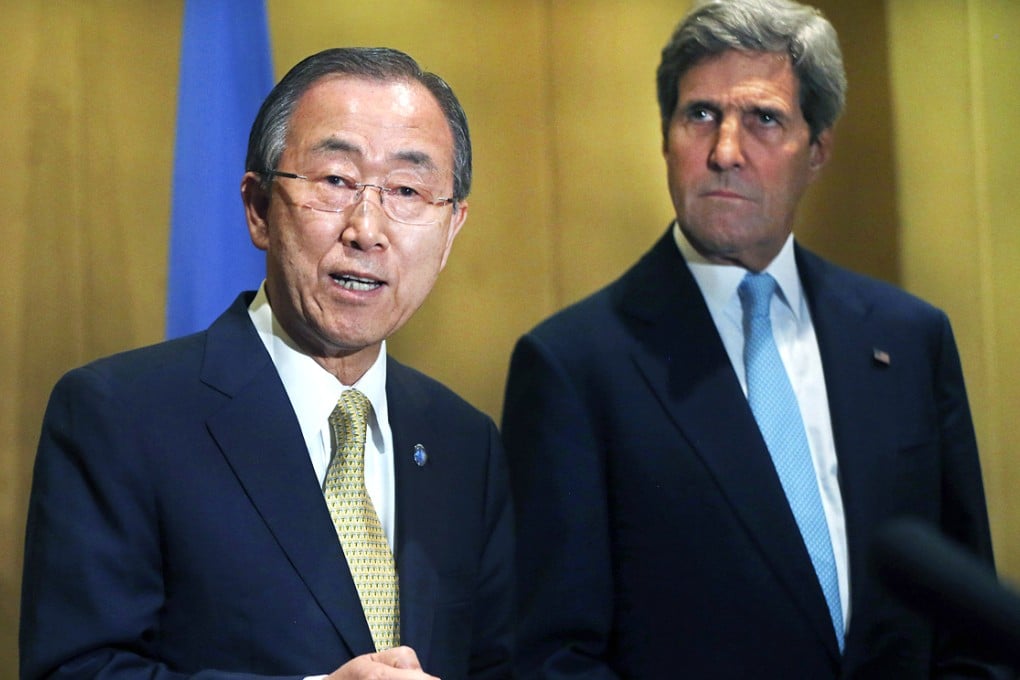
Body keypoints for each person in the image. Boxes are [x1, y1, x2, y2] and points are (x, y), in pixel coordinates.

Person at [501, 1, 1007, 677]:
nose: (725, 152)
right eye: (700, 115)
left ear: (817, 149)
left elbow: (973, 630)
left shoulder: (909, 339)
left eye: (763, 119)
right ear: (665, 137)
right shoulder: (573, 366)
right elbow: (553, 657)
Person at [21, 47, 513, 680]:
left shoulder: (465, 442)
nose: (367, 228)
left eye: (408, 190)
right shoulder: (117, 415)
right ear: (258, 208)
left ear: (450, 231)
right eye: (335, 181)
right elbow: (75, 669)